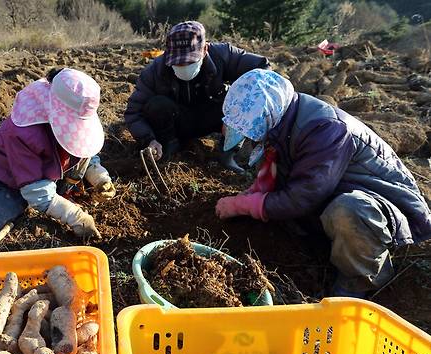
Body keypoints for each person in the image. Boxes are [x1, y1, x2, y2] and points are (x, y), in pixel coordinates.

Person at [215, 69, 431, 298]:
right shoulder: (283, 120)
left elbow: (303, 196)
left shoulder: (326, 128)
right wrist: (251, 195)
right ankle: (321, 248)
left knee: (348, 211)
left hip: (380, 206)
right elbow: (276, 170)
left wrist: (243, 206)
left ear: (266, 114)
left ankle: (360, 282)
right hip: (331, 191)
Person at [0, 68, 116, 239]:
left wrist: (98, 176)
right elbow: (36, 191)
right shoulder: (22, 132)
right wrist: (75, 217)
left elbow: (83, 149)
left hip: (53, 166)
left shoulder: (76, 107)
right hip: (14, 176)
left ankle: (58, 195)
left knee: (63, 188)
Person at [124, 21, 269, 171]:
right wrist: (149, 139)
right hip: (178, 120)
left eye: (189, 61)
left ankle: (228, 153)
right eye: (178, 63)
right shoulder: (155, 70)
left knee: (241, 101)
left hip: (215, 115)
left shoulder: (223, 55)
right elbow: (134, 112)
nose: (183, 67)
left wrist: (238, 108)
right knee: (157, 105)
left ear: (205, 49)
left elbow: (263, 71)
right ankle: (170, 146)